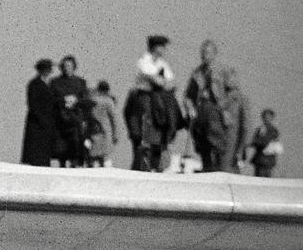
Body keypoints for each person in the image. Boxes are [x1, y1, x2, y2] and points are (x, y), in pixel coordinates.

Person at [184, 41, 249, 174]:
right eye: (202, 52)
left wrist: (222, 105)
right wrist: (190, 107)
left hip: (220, 117)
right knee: (206, 155)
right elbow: (188, 95)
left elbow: (234, 92)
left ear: (214, 53)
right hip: (202, 117)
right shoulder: (197, 73)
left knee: (222, 156)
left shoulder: (224, 70)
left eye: (207, 52)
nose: (204, 55)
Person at [125, 35, 181, 173]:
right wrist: (158, 80)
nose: (164, 49)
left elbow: (170, 81)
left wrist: (164, 82)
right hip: (144, 98)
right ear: (155, 47)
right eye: (161, 46)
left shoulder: (162, 63)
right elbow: (151, 78)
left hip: (159, 99)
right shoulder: (144, 60)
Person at [48, 55, 91, 167]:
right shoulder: (54, 82)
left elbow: (86, 100)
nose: (67, 68)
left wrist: (76, 100)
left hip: (75, 120)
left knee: (76, 148)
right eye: (65, 66)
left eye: (69, 66)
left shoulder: (81, 82)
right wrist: (63, 100)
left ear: (74, 67)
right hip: (60, 120)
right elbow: (50, 100)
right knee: (61, 151)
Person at [20, 60, 59, 167]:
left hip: (47, 124)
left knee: (45, 154)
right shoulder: (34, 84)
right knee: (35, 154)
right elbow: (32, 104)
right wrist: (42, 119)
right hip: (36, 124)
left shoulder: (49, 85)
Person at [86, 80, 120, 166]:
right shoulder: (108, 101)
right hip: (106, 132)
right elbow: (114, 119)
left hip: (92, 131)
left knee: (93, 157)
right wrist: (115, 134)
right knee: (105, 157)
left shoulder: (91, 100)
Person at [247, 109, 282, 179]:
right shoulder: (260, 129)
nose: (266, 119)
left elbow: (265, 141)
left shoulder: (272, 130)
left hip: (266, 160)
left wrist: (254, 142)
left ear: (272, 118)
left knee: (264, 180)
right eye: (264, 117)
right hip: (260, 159)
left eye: (268, 117)